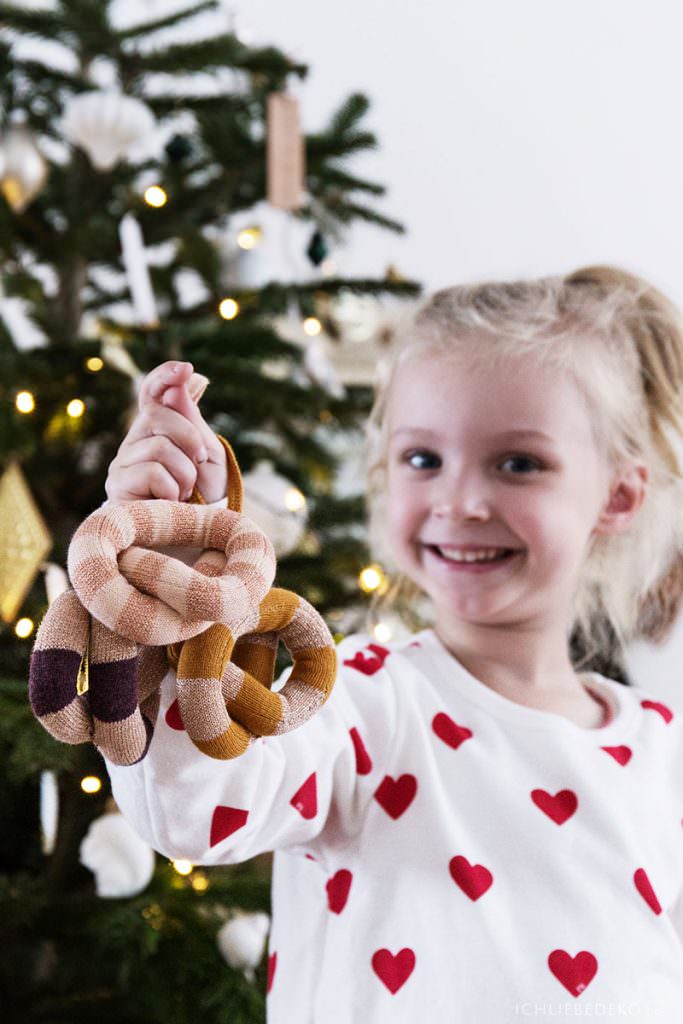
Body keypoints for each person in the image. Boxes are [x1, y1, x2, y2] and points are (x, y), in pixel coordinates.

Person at [103, 265, 683, 1022]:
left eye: (518, 463)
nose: (459, 501)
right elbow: (194, 814)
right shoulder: (358, 705)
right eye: (422, 459)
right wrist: (179, 587)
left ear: (616, 496)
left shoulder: (661, 751)